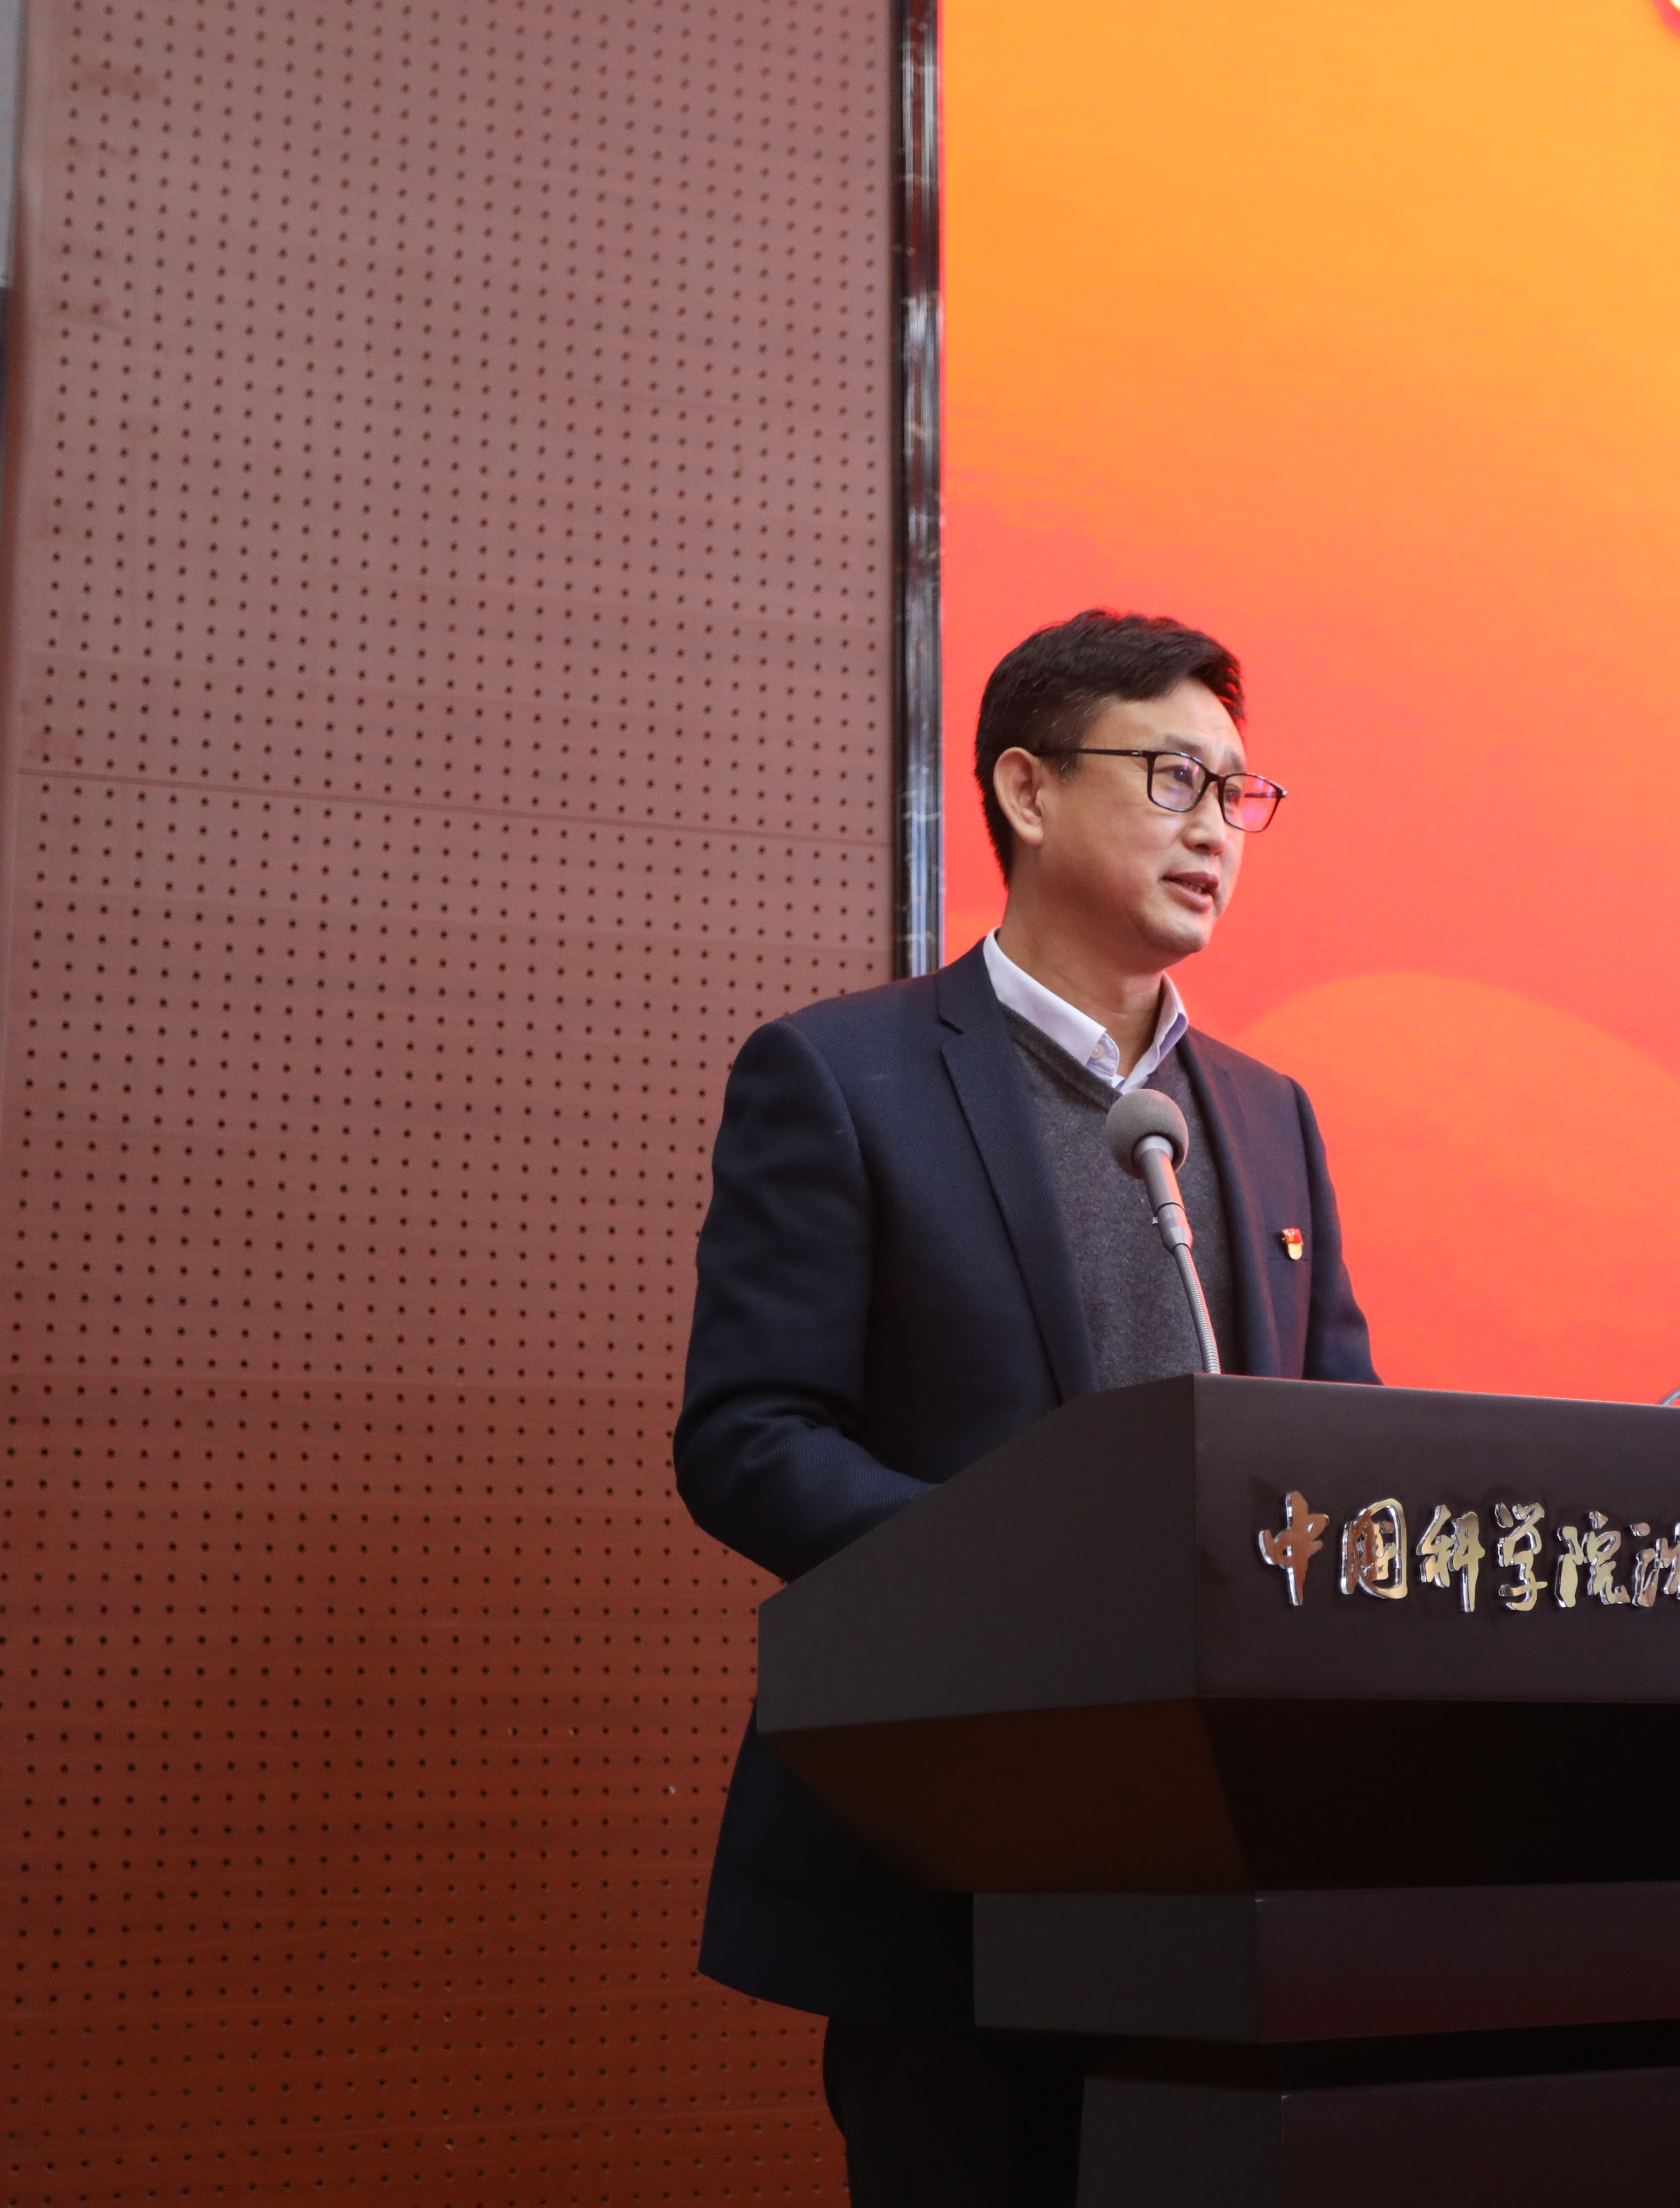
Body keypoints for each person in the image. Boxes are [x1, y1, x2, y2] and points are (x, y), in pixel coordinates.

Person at [673, 609, 1380, 2206]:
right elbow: (749, 1440)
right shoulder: (841, 1076)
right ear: (1026, 789)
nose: (1216, 829)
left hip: (1234, 1873)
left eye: (1239, 795)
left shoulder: (1264, 1117)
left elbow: (1342, 1443)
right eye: (1173, 778)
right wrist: (1026, 1586)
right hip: (958, 1851)